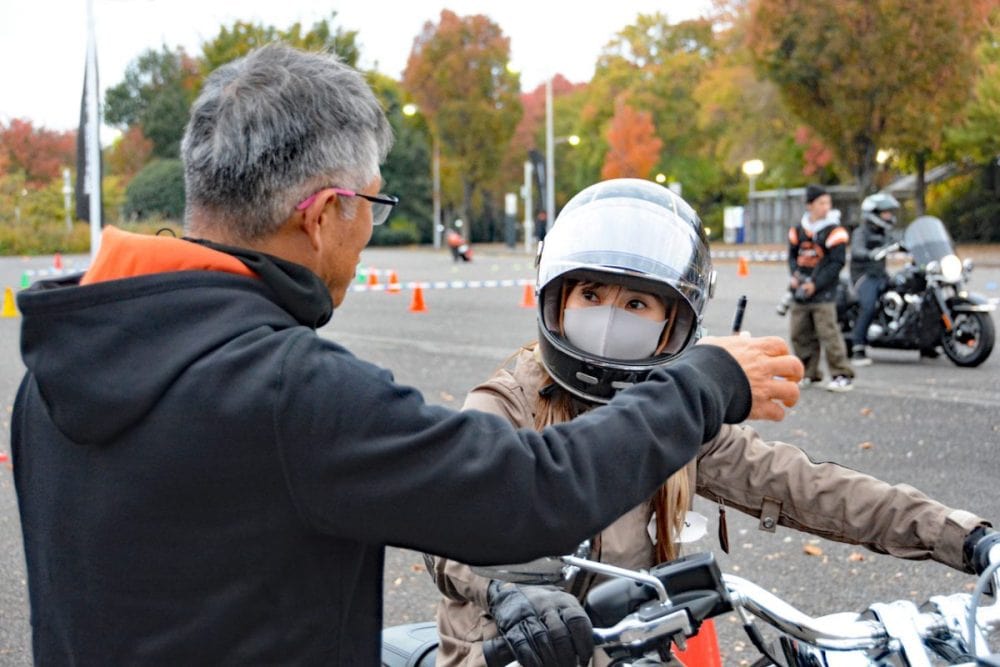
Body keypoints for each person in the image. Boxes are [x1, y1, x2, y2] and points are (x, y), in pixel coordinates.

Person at [10, 45, 802, 666]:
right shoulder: (291, 392)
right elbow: (530, 491)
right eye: (373, 205)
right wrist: (705, 380)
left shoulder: (58, 368)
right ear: (324, 214)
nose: (367, 235)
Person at [427, 179, 999, 667]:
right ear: (557, 297)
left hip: (630, 650)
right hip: (507, 653)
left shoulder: (672, 415)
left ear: (674, 323)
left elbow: (802, 484)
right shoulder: (507, 403)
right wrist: (509, 594)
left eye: (636, 305)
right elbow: (444, 526)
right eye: (592, 294)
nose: (608, 319)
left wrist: (968, 538)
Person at [787, 184, 855, 391]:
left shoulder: (835, 231)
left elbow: (836, 263)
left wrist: (815, 284)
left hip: (824, 294)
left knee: (829, 334)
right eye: (821, 203)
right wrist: (795, 276)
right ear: (809, 205)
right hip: (801, 293)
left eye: (828, 203)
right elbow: (792, 257)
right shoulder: (799, 229)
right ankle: (808, 373)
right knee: (799, 333)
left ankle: (842, 374)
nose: (826, 207)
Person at [849, 192, 901, 366]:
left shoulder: (885, 232)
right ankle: (858, 346)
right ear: (874, 214)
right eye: (885, 213)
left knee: (906, 290)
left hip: (881, 275)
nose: (889, 216)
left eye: (889, 212)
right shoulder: (861, 232)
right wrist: (869, 253)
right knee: (869, 305)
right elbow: (856, 250)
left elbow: (898, 243)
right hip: (864, 276)